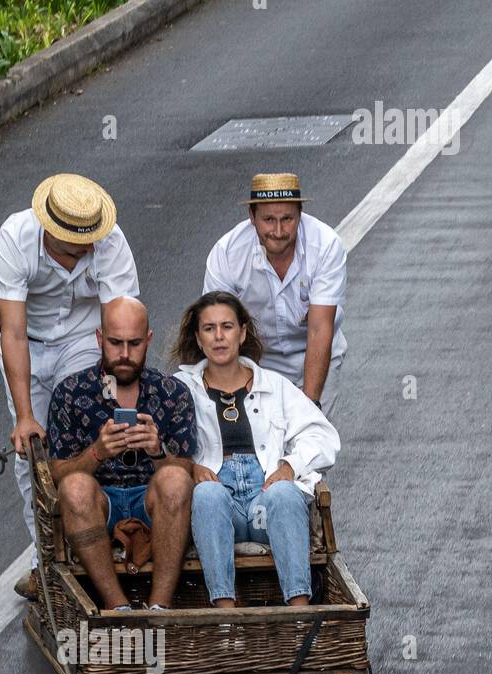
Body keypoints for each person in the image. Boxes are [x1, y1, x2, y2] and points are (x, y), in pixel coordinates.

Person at [0, 173, 140, 598]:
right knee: (33, 456)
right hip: (28, 347)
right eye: (81, 241)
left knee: (89, 440)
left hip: (83, 341)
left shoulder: (110, 241)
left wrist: (120, 394)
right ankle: (45, 562)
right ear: (52, 234)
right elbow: (12, 333)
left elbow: (120, 325)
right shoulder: (16, 238)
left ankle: (101, 544)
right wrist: (24, 416)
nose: (92, 246)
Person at [173, 292, 339, 608]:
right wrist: (189, 467)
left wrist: (290, 465)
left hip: (266, 504)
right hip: (223, 510)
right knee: (206, 494)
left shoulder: (274, 385)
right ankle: (226, 615)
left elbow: (323, 436)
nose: (219, 336)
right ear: (198, 337)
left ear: (243, 332)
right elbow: (161, 442)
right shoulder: (181, 388)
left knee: (286, 493)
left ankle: (299, 612)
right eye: (209, 329)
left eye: (227, 326)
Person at [46, 297, 195, 612]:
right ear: (100, 338)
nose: (124, 354)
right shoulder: (70, 393)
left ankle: (159, 609)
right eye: (115, 343)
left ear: (148, 340)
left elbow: (184, 470)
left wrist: (157, 452)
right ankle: (118, 607)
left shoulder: (173, 393)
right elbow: (58, 473)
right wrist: (97, 453)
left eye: (134, 343)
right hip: (101, 502)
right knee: (74, 486)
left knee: (174, 479)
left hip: (150, 499)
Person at [203, 172, 346, 418]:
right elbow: (217, 329)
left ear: (300, 215)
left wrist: (309, 408)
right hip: (256, 358)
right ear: (252, 218)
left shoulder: (326, 245)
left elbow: (319, 330)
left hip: (313, 352)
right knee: (259, 444)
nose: (278, 231)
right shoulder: (227, 253)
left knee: (312, 448)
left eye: (287, 219)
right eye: (269, 220)